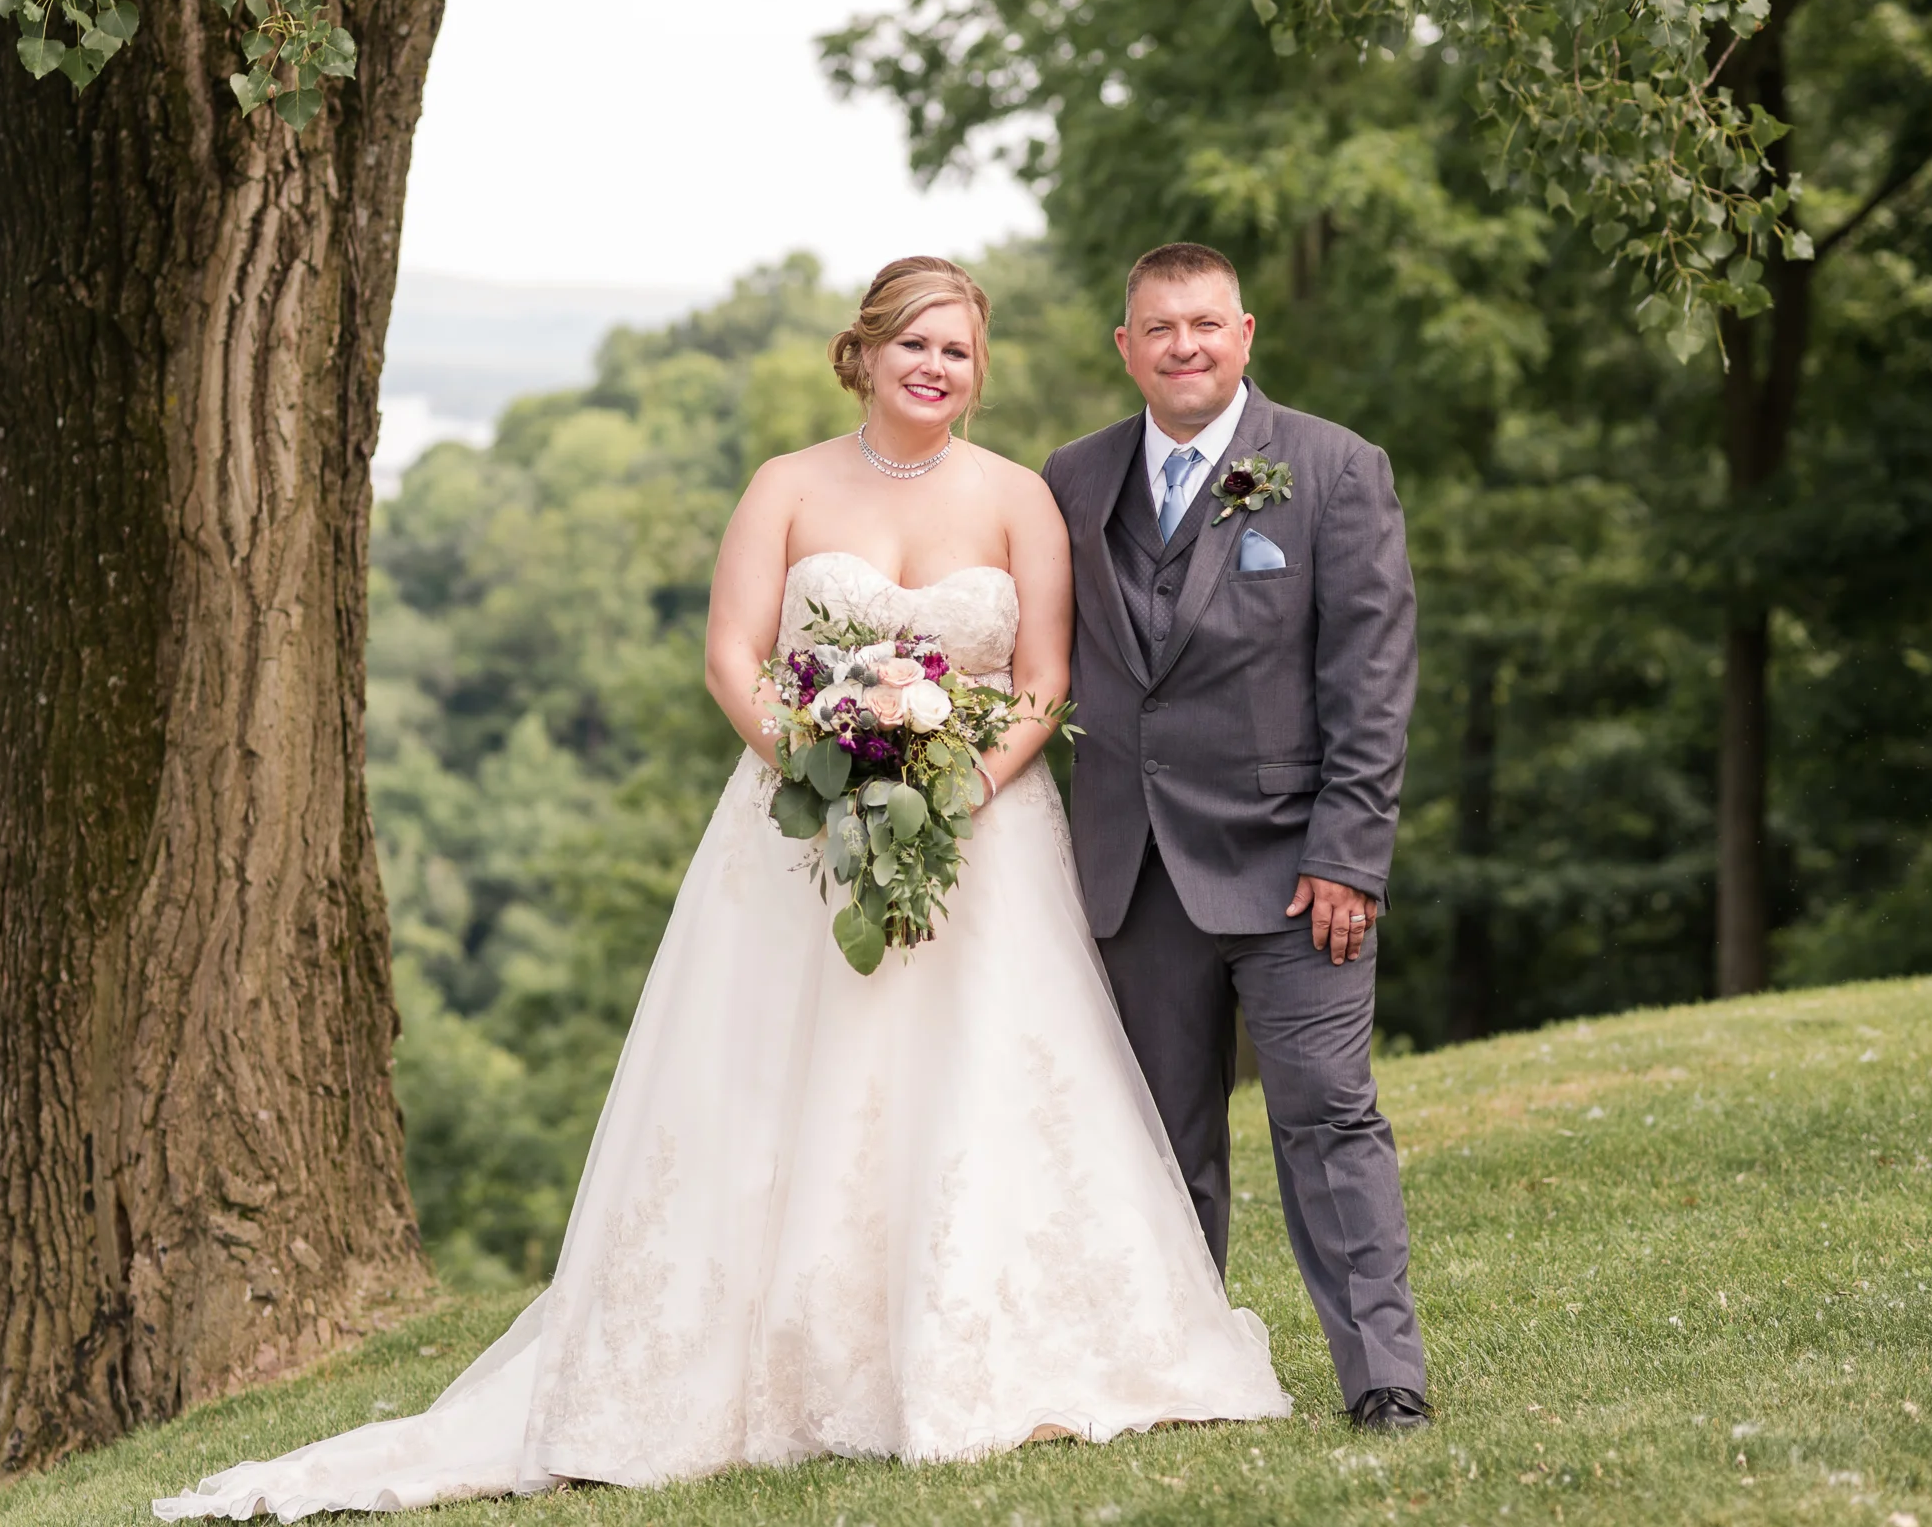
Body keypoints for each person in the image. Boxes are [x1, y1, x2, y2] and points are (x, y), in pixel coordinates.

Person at [152, 257, 1287, 1520]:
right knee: (774, 1080)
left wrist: (955, 783)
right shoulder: (787, 487)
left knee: (974, 1074)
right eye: (912, 342)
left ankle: (972, 1338)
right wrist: (825, 763)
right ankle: (762, 1354)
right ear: (861, 353)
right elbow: (734, 656)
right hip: (795, 834)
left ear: (980, 370)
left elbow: (1042, 679)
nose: (934, 366)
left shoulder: (1020, 499)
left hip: (983, 838)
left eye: (957, 350)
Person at [1041, 241, 1431, 1434]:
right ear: (1126, 348)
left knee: (1326, 1117)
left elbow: (1371, 679)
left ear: (1244, 334)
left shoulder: (1333, 470)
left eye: (1205, 324)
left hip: (1293, 873)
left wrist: (1347, 855)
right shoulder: (1071, 479)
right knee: (1162, 1141)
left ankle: (1384, 1379)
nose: (1184, 346)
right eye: (1159, 328)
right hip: (1130, 871)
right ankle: (1179, 1375)